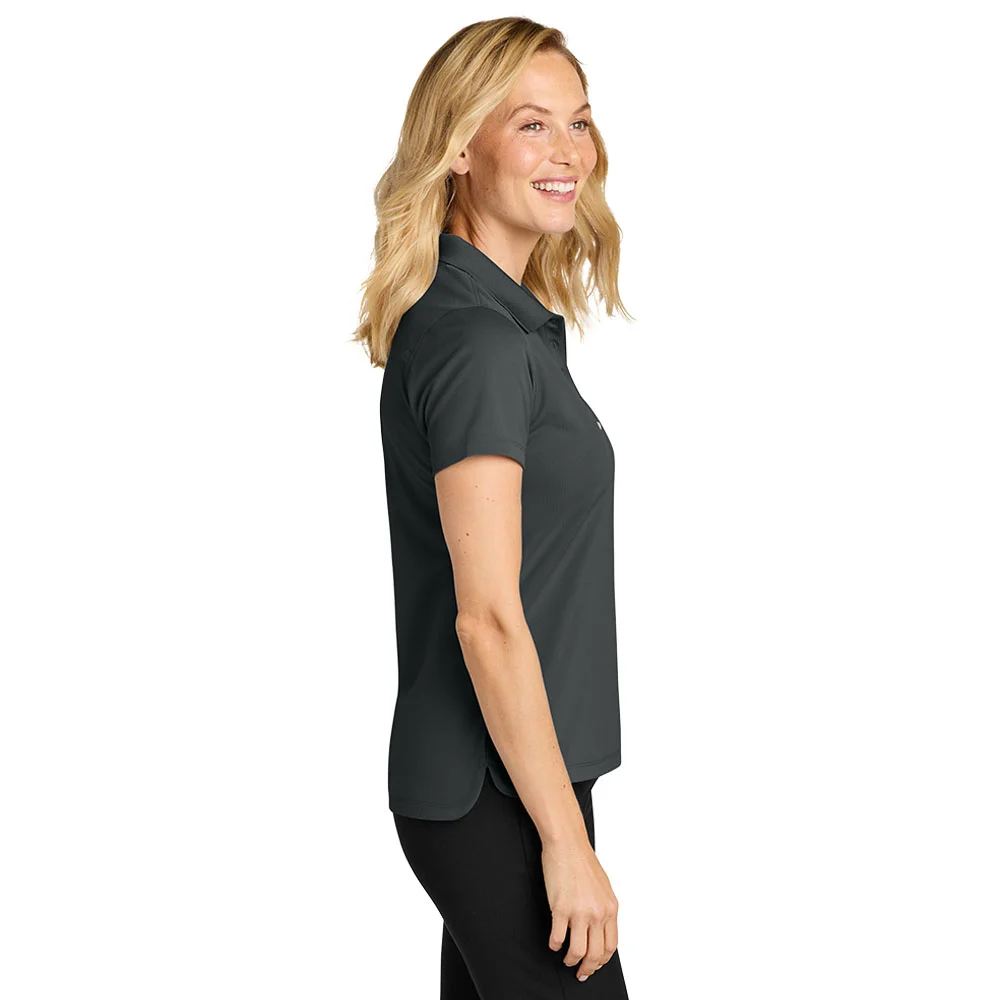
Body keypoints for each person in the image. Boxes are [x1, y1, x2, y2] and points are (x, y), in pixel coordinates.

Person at [354, 17, 634, 999]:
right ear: (460, 148)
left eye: (578, 122)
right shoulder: (476, 342)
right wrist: (564, 842)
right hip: (499, 791)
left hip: (513, 777)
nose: (568, 152)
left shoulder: (487, 324)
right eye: (531, 125)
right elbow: (486, 618)